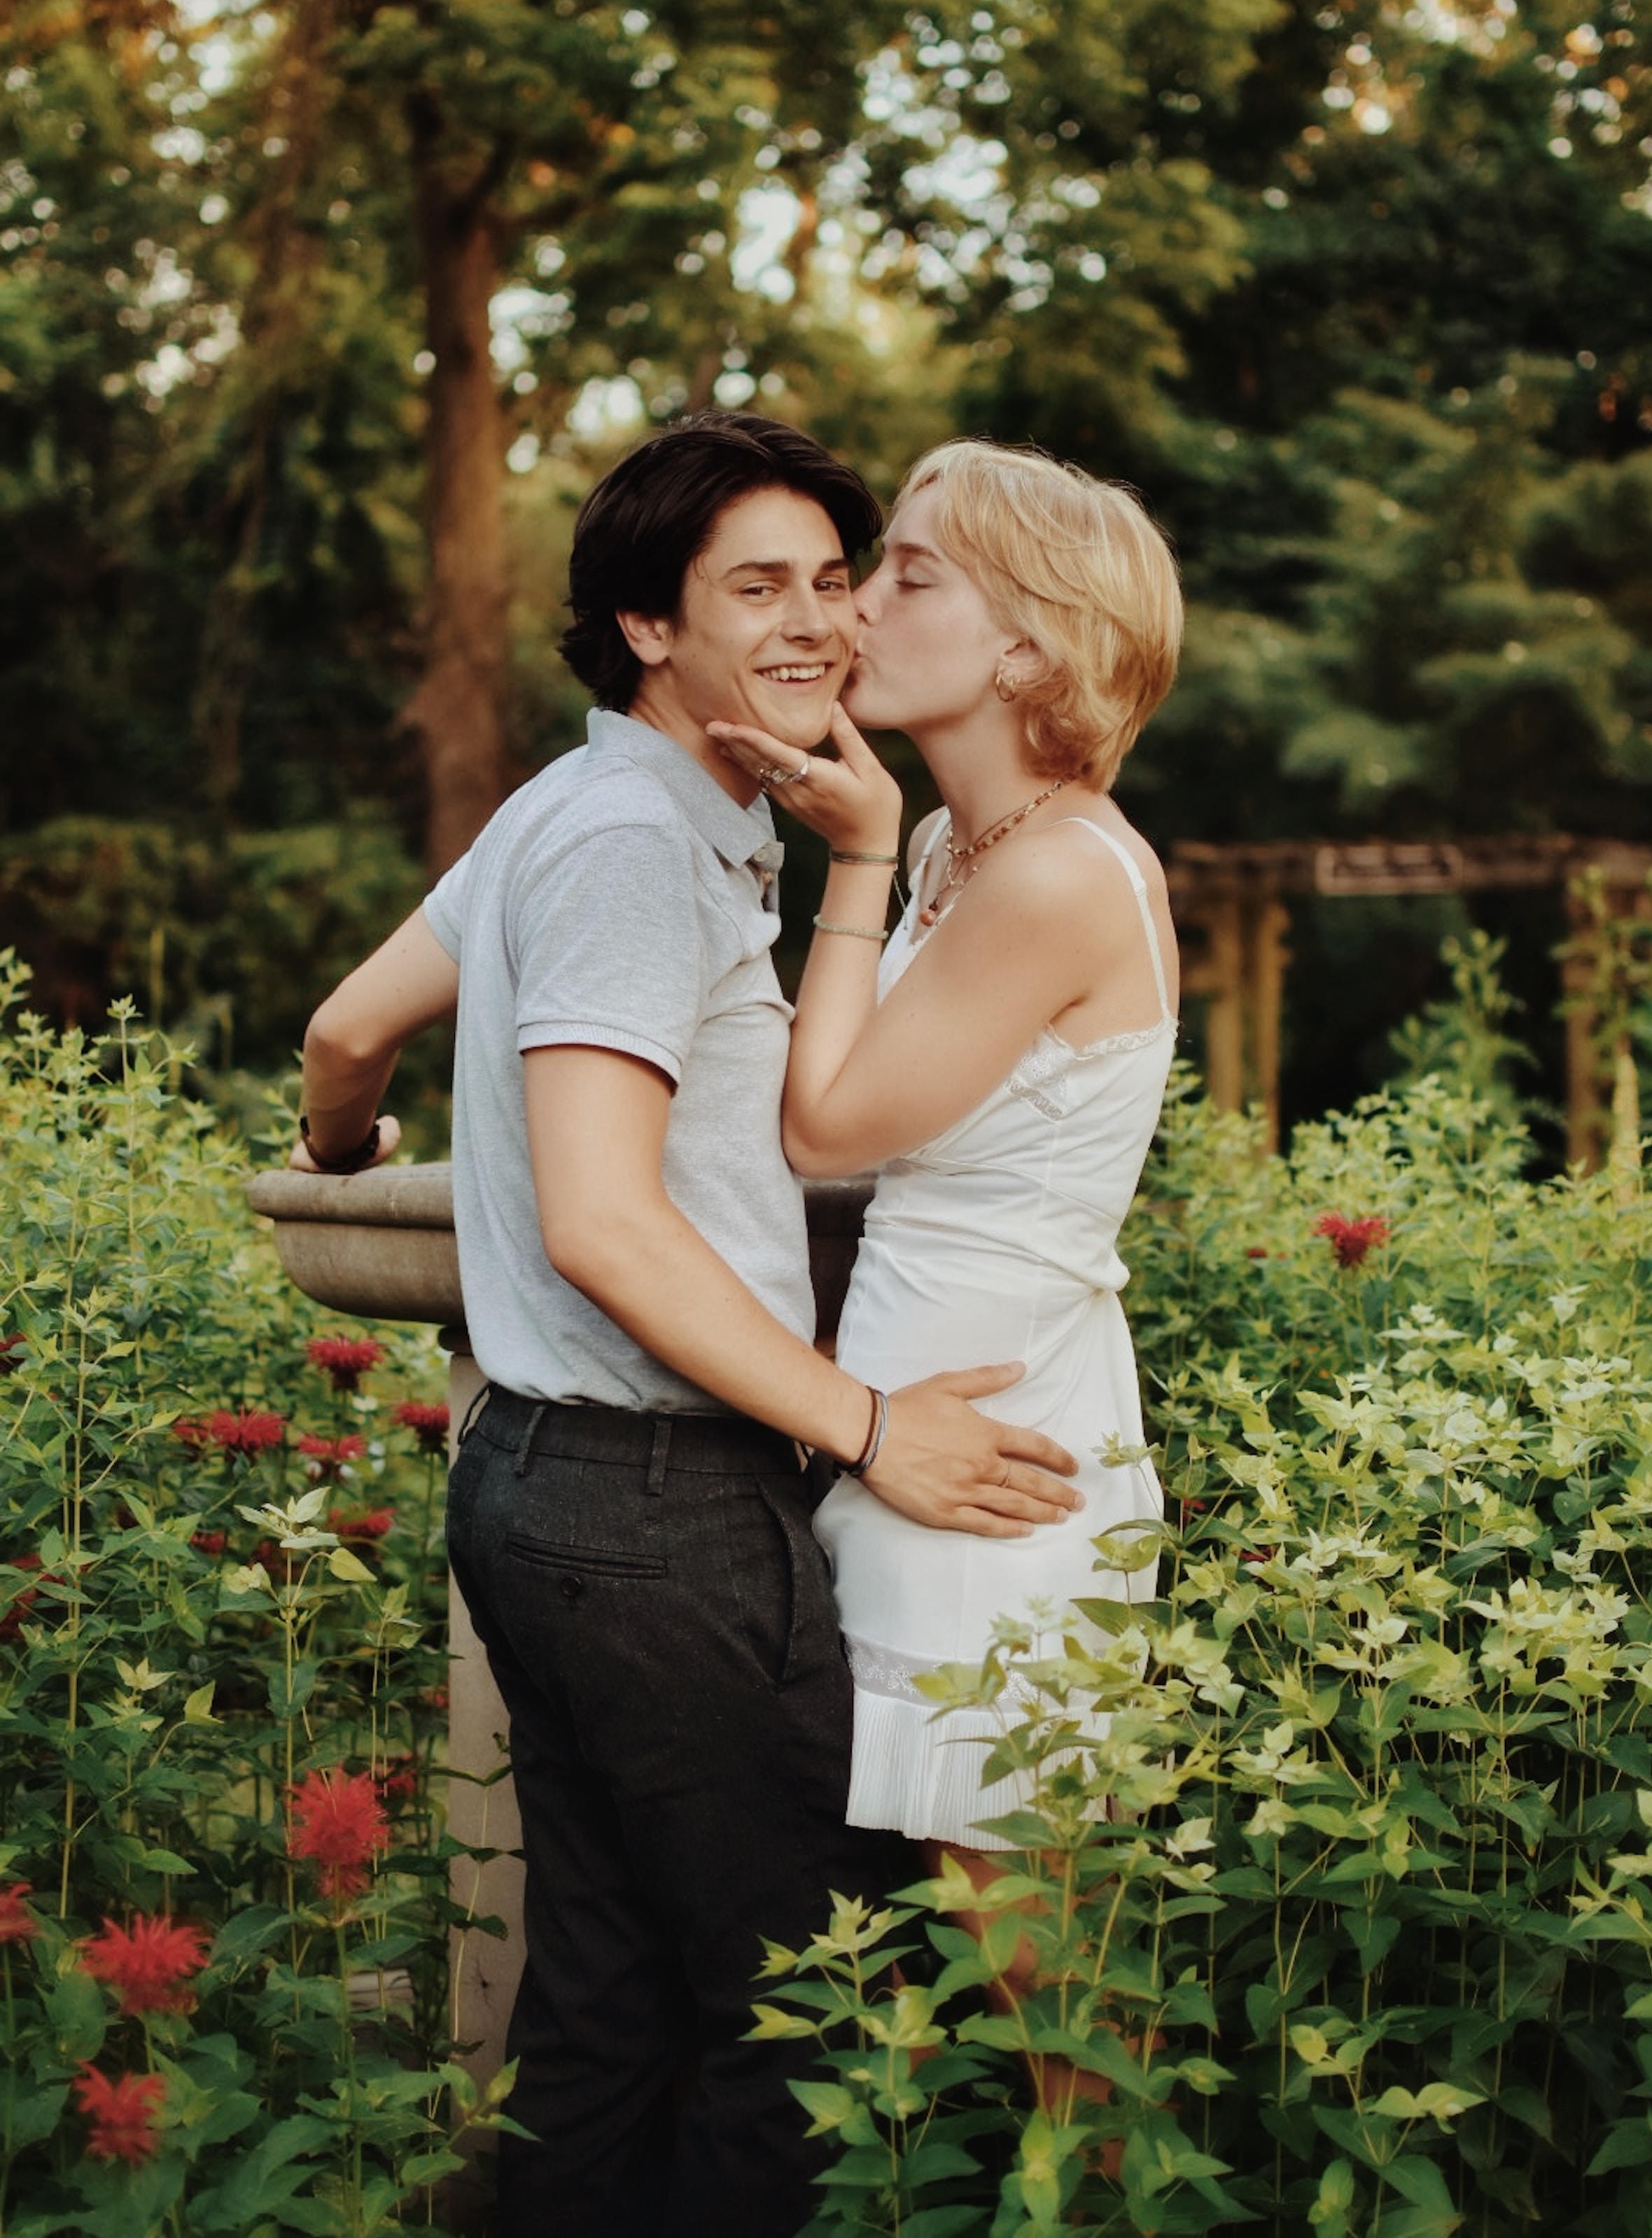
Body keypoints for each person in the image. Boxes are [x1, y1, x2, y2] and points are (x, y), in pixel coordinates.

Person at [286, 412, 1085, 2238]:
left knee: (609, 2013)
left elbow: (344, 1035)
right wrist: (873, 1425)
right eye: (758, 588)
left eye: (832, 579)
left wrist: (352, 1154)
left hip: (540, 1488)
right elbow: (601, 1222)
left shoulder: (569, 816)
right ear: (647, 624)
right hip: (654, 1511)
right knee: (813, 2016)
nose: (816, 623)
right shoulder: (639, 848)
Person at [706, 437, 1182, 1867]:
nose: (854, 612)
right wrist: (883, 853)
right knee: (904, 1947)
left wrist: (850, 862)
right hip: (915, 1416)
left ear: (1032, 645)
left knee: (1030, 1960)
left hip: (1000, 1442)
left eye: (909, 577)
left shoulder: (1053, 873)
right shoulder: (958, 850)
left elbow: (824, 1124)